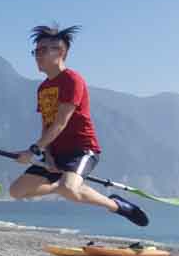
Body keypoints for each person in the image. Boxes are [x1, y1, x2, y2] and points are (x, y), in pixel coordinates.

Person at [9, 24, 148, 226]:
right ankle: (60, 184)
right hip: (55, 151)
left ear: (61, 52)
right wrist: (47, 155)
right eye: (35, 51)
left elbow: (61, 122)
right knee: (16, 191)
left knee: (70, 189)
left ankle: (117, 205)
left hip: (82, 150)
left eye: (43, 50)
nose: (37, 56)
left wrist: (32, 151)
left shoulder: (72, 80)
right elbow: (47, 124)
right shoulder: (43, 88)